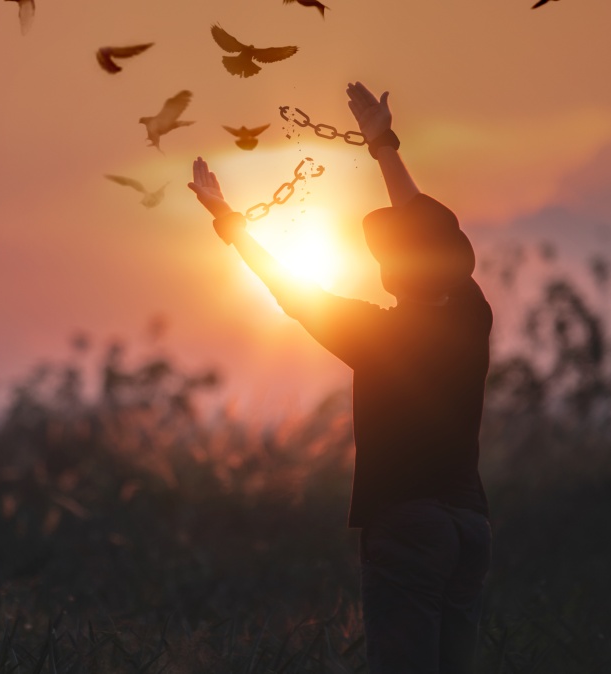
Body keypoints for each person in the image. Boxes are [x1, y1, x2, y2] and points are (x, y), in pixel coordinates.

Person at [187, 81, 493, 674]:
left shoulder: (377, 334)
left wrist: (230, 222)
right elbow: (424, 228)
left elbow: (292, 291)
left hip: (408, 526)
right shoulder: (471, 315)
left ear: (392, 272)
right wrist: (383, 144)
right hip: (471, 525)